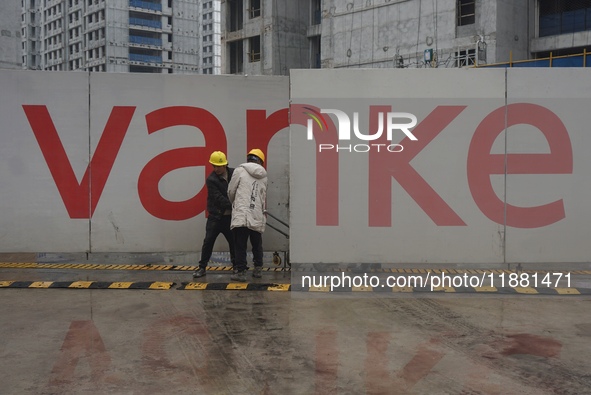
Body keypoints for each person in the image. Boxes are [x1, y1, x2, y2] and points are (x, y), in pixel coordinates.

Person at [193, 151, 235, 278]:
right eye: (214, 166)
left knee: (234, 243)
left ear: (225, 165)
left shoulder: (234, 174)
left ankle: (237, 267)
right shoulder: (211, 180)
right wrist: (237, 205)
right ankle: (202, 267)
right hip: (216, 217)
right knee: (208, 242)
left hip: (230, 217)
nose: (216, 169)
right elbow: (218, 199)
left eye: (219, 166)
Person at [228, 149, 268, 282]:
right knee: (257, 243)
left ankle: (241, 272)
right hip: (256, 213)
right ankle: (258, 269)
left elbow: (231, 191)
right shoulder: (264, 176)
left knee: (240, 244)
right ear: (261, 161)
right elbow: (263, 196)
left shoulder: (239, 170)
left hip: (242, 212)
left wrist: (237, 203)